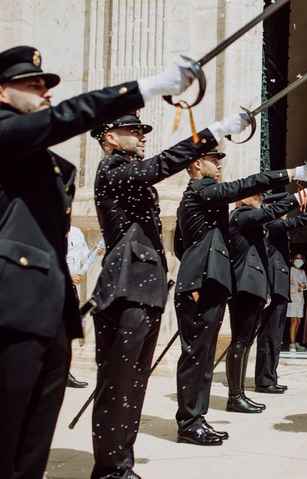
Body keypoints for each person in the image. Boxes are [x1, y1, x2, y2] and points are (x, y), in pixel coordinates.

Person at [0, 44, 191, 479]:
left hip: (48, 313)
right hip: (11, 310)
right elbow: (67, 117)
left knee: (32, 450)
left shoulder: (44, 163)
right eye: (33, 84)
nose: (46, 92)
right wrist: (149, 87)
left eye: (49, 85)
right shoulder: (6, 134)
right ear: (3, 93)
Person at [90, 109, 249, 478]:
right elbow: (160, 166)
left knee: (133, 386)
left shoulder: (128, 173)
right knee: (120, 384)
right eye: (133, 130)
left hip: (144, 287)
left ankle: (119, 465)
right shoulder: (113, 170)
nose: (142, 135)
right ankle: (110, 469)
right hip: (125, 288)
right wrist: (212, 132)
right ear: (110, 137)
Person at [173, 151, 301, 445]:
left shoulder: (206, 198)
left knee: (204, 358)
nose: (219, 165)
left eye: (220, 160)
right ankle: (189, 422)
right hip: (201, 285)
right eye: (212, 160)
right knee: (196, 357)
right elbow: (245, 187)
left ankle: (196, 419)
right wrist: (290, 174)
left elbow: (183, 245)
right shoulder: (200, 191)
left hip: (211, 284)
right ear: (195, 165)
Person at [225, 180, 307, 413]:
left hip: (255, 287)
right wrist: (306, 193)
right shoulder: (242, 214)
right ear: (242, 198)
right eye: (256, 194)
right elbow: (278, 216)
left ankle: (239, 394)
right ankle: (236, 395)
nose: (260, 197)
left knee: (245, 341)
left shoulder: (253, 219)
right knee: (241, 341)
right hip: (245, 287)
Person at [255, 198, 307, 393]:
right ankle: (264, 379)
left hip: (280, 287)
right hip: (273, 286)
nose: (285, 214)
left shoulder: (278, 227)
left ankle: (270, 376)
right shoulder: (272, 223)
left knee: (275, 336)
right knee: (268, 335)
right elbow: (296, 222)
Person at [66, 225, 104, 388]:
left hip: (71, 290)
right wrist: (67, 276)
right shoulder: (47, 226)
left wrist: (96, 252)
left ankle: (65, 372)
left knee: (67, 333)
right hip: (53, 286)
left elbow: (84, 258)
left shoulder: (76, 232)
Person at [288, 253, 307, 352]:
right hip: (292, 298)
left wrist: (303, 286)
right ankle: (291, 343)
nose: (299, 260)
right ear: (293, 260)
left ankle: (295, 341)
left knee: (298, 321)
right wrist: (297, 287)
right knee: (294, 321)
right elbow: (289, 284)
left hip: (300, 299)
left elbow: (306, 284)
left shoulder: (303, 272)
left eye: (301, 258)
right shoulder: (290, 271)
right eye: (297, 258)